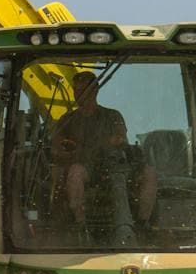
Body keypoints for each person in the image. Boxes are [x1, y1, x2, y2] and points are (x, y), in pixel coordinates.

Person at [51, 69, 155, 246]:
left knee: (149, 173)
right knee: (75, 172)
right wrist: (65, 150)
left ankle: (143, 226)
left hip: (116, 166)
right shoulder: (68, 120)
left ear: (95, 91)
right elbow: (56, 147)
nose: (78, 94)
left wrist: (106, 145)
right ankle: (81, 227)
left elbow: (120, 139)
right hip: (87, 168)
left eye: (83, 90)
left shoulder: (112, 116)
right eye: (76, 90)